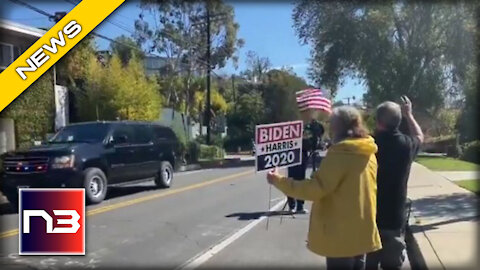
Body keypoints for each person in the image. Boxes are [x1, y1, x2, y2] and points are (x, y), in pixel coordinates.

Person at [267, 106, 382, 270]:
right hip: (362, 231)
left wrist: (278, 181)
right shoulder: (368, 151)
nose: (329, 127)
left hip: (341, 236)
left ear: (337, 127)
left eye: (331, 123)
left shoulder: (340, 154)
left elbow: (315, 189)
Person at [366, 96, 424, 270]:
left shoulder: (367, 145)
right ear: (398, 122)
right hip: (394, 219)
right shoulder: (406, 145)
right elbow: (419, 136)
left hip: (368, 219)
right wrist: (409, 115)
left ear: (378, 121)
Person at [286, 119, 324, 214]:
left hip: (302, 158)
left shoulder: (309, 129)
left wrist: (315, 129)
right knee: (291, 180)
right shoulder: (292, 130)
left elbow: (313, 142)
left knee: (301, 181)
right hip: (292, 158)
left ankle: (300, 206)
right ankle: (292, 205)